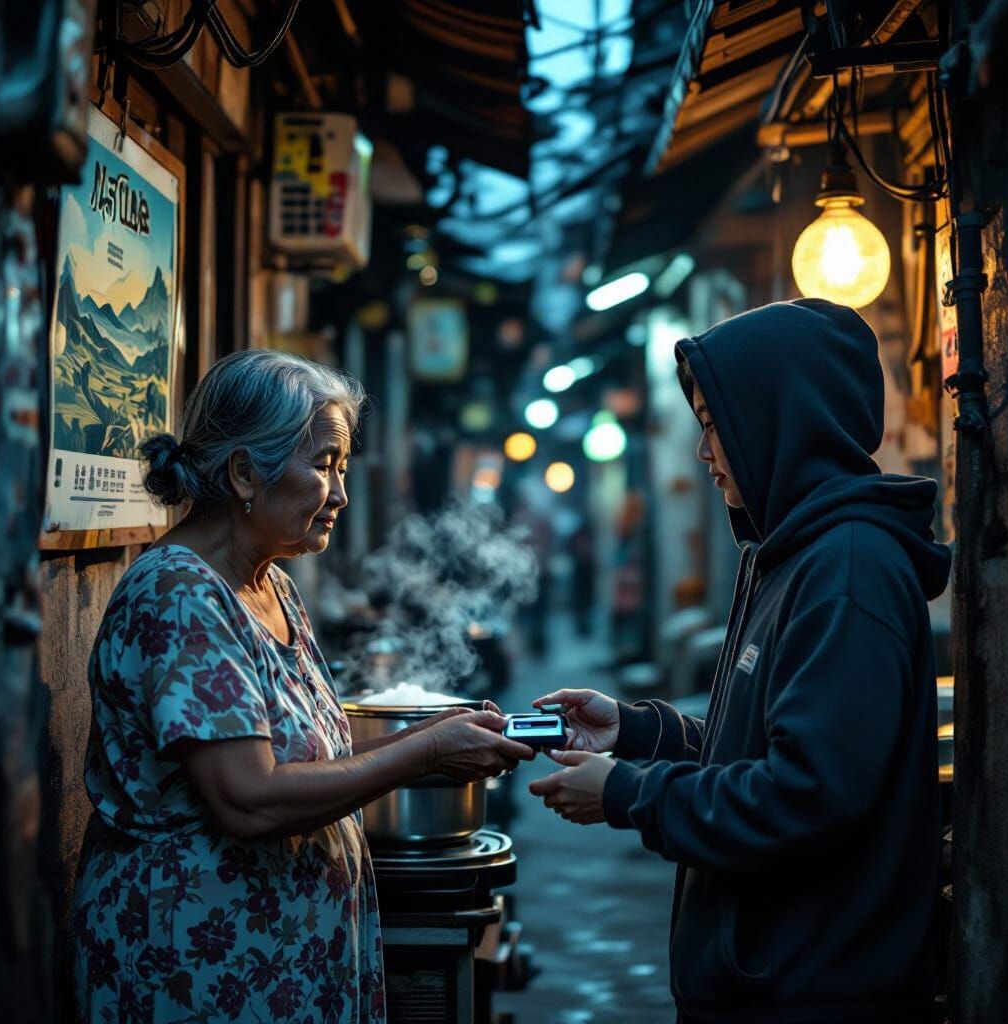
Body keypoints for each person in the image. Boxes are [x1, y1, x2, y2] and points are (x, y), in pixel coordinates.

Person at [72, 350, 534, 1023]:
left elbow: (303, 759)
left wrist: (432, 731)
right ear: (243, 473)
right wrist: (426, 756)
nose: (341, 494)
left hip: (275, 966)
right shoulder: (179, 596)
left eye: (341, 468)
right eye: (324, 466)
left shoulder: (274, 586)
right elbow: (249, 800)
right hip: (194, 971)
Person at [530, 299, 951, 1024]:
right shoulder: (791, 556)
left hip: (816, 994)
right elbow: (765, 747)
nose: (704, 453)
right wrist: (637, 735)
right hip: (772, 985)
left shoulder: (847, 569)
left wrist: (631, 794)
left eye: (714, 425)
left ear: (776, 422)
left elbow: (808, 794)